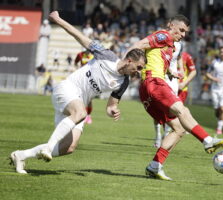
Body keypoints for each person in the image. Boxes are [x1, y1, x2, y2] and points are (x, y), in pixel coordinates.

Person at [9, 11, 146, 174]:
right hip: (67, 89)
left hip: (78, 103)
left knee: (69, 147)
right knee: (81, 112)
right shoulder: (106, 55)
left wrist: (113, 111)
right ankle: (48, 148)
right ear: (130, 60)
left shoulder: (123, 82)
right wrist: (58, 20)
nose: (138, 72)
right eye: (138, 67)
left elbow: (111, 106)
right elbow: (80, 36)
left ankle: (21, 155)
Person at [130, 14, 223, 181]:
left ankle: (155, 166)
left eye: (185, 32)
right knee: (182, 109)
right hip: (154, 82)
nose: (183, 34)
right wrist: (125, 64)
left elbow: (152, 56)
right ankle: (207, 140)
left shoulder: (170, 46)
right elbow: (138, 45)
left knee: (179, 129)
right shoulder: (163, 35)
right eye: (181, 30)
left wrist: (171, 71)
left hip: (147, 90)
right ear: (171, 25)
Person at [153, 41, 182, 148]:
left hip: (173, 79)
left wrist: (181, 70)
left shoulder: (180, 44)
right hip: (160, 76)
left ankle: (166, 135)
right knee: (157, 108)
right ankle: (157, 135)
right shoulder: (161, 41)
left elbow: (179, 57)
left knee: (171, 108)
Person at [74, 49, 95, 124]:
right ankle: (80, 113)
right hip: (81, 78)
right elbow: (75, 62)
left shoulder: (94, 55)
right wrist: (77, 70)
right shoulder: (80, 54)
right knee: (79, 96)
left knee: (89, 99)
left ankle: (88, 115)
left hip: (90, 79)